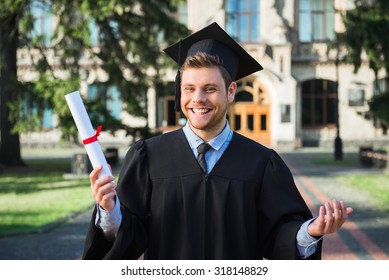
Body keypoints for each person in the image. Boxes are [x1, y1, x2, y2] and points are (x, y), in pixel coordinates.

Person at [82, 22, 353, 260]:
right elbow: (131, 236)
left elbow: (277, 236)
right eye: (189, 89)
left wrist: (310, 231)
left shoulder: (261, 163)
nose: (197, 99)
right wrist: (109, 210)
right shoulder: (148, 157)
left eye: (210, 89)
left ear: (231, 91)